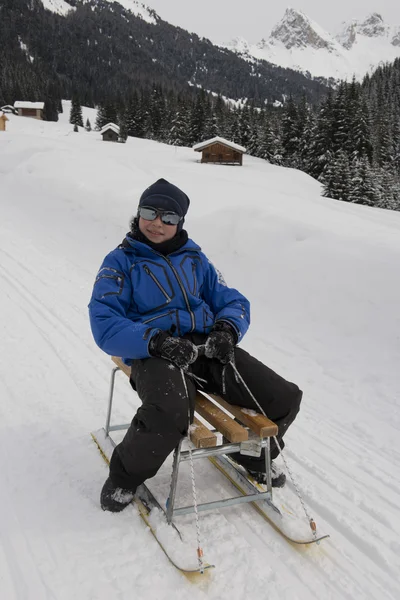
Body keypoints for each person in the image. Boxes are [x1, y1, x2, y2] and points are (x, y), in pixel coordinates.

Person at [89, 178, 302, 512]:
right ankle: (124, 478)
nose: (157, 222)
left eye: (169, 217)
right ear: (138, 214)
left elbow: (231, 299)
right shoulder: (121, 262)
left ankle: (252, 456)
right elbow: (103, 321)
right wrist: (155, 341)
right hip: (154, 351)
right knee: (170, 413)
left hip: (203, 348)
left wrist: (227, 330)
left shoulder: (196, 259)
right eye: (149, 212)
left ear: (180, 222)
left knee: (283, 397)